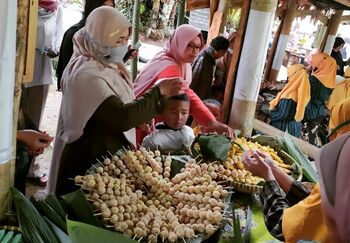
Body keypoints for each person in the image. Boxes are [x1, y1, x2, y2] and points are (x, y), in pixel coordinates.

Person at [51, 7, 186, 195]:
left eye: (125, 40)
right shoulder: (86, 75)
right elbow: (120, 117)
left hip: (104, 158)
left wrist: (140, 117)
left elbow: (119, 104)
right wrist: (158, 93)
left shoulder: (105, 64)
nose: (123, 45)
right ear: (100, 39)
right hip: (88, 162)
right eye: (118, 40)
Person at [133, 24, 233, 145]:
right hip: (143, 122)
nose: (195, 51)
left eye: (198, 46)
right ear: (179, 43)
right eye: (190, 46)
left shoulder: (179, 61)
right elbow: (185, 92)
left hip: (152, 118)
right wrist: (212, 122)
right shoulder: (170, 66)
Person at [242, 133, 350, 242]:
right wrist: (273, 169)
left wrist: (267, 176)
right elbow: (313, 200)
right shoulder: (340, 197)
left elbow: (281, 224)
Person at [21, 0, 63, 185]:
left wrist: (54, 50)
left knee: (34, 122)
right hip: (18, 70)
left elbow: (57, 41)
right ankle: (14, 163)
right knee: (17, 120)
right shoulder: (23, 6)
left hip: (40, 72)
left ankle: (32, 170)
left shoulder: (56, 9)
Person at [56, 0, 115, 91]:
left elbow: (108, 64)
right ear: (92, 7)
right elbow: (67, 72)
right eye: (103, 6)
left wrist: (124, 55)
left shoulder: (106, 34)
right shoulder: (75, 33)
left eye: (111, 8)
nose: (108, 11)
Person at [303, 52, 337, 145]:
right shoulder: (331, 82)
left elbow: (304, 92)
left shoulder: (314, 79)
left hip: (309, 111)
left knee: (306, 136)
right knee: (312, 136)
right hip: (320, 112)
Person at [269, 64, 310, 137]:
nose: (288, 78)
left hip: (284, 130)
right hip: (294, 128)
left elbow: (282, 114)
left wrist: (269, 114)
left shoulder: (291, 94)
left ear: (295, 76)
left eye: (290, 75)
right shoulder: (303, 91)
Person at [191, 36, 230, 100]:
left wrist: (218, 76)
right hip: (196, 98)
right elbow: (193, 81)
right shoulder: (204, 59)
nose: (223, 56)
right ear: (221, 51)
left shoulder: (210, 58)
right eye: (224, 53)